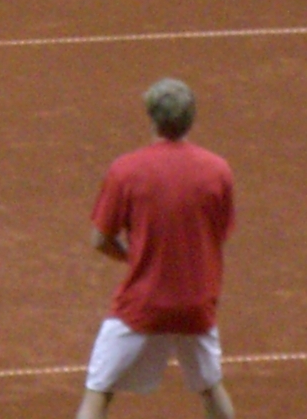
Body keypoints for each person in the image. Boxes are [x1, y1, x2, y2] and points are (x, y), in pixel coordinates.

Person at [75, 78, 236, 419]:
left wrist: (134, 257)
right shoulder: (218, 171)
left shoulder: (126, 170)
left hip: (141, 303)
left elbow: (99, 239)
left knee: (98, 391)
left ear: (151, 118)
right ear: (190, 119)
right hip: (196, 303)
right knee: (210, 386)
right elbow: (218, 233)